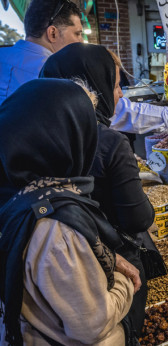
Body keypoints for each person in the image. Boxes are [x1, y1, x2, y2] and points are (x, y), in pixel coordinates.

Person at [0, 78, 138, 345]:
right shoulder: (57, 229)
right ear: (69, 138)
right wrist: (123, 281)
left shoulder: (20, 194)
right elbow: (91, 326)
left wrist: (107, 257)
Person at [40, 42, 159, 340]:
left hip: (59, 277)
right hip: (112, 269)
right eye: (116, 85)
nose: (119, 94)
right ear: (95, 87)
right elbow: (137, 219)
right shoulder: (109, 142)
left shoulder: (41, 136)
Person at [0, 0, 168, 131]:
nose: (81, 41)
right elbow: (123, 113)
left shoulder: (5, 59)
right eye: (77, 34)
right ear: (53, 33)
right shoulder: (54, 78)